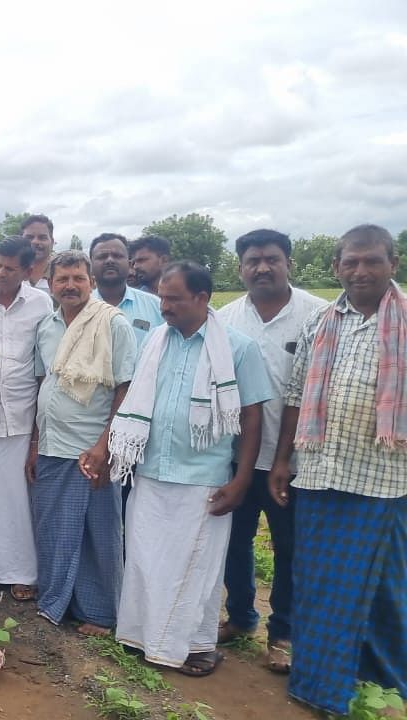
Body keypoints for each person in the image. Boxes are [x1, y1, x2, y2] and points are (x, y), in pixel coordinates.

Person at [111, 261, 271, 677]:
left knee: (195, 568)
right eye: (162, 297)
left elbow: (253, 417)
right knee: (146, 559)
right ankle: (142, 637)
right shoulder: (155, 343)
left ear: (202, 299)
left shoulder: (237, 347)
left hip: (203, 476)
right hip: (149, 470)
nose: (164, 306)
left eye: (174, 298)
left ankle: (194, 647)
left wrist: (242, 479)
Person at [273, 224, 407, 714]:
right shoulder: (322, 322)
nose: (361, 270)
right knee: (318, 585)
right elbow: (294, 396)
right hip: (318, 475)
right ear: (336, 268)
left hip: (385, 481)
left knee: (383, 592)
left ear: (392, 263)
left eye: (372, 261)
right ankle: (320, 687)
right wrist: (282, 460)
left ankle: (385, 689)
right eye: (351, 262)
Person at [216, 229, 328, 674]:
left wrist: (287, 458)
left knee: (289, 548)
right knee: (234, 543)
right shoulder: (224, 319)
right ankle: (241, 617)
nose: (262, 267)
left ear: (289, 263)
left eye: (272, 259)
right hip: (235, 457)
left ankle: (283, 633)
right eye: (253, 260)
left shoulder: (318, 316)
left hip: (296, 462)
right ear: (240, 267)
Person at [27, 250, 135, 635]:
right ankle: (59, 603)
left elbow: (126, 386)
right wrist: (35, 441)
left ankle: (102, 613)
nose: (70, 286)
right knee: (54, 530)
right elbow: (44, 384)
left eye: (78, 278)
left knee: (97, 533)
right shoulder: (46, 326)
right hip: (52, 443)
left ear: (91, 282)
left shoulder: (112, 324)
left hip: (92, 448)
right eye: (62, 280)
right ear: (51, 285)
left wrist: (106, 445)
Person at [0, 237, 53, 602]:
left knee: (21, 498)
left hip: (22, 417)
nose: (0, 273)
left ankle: (26, 574)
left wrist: (37, 435)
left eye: (10, 268)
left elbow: (45, 360)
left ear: (28, 271)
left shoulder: (41, 303)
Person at [89, 233, 163, 348]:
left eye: (117, 256)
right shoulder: (80, 308)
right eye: (102, 256)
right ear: (91, 265)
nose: (109, 260)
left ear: (129, 264)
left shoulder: (156, 306)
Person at [21, 215, 55, 293]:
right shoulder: (12, 276)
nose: (35, 242)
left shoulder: (62, 276)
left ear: (52, 242)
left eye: (42, 237)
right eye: (29, 237)